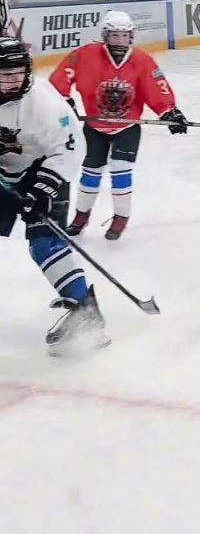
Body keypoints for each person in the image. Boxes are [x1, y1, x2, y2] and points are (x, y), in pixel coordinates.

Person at [0, 37, 106, 353]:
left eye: (18, 72)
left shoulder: (45, 103)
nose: (14, 80)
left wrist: (42, 191)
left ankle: (85, 310)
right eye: (5, 74)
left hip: (45, 168)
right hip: (4, 172)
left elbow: (70, 148)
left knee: (44, 241)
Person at [49, 11, 188, 240]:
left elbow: (156, 88)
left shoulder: (141, 60)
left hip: (127, 127)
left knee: (120, 171)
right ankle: (81, 215)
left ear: (131, 36)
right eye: (115, 35)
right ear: (105, 36)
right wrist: (64, 100)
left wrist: (169, 111)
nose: (120, 41)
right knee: (90, 173)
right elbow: (60, 78)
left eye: (124, 36)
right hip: (94, 127)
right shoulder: (84, 55)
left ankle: (121, 217)